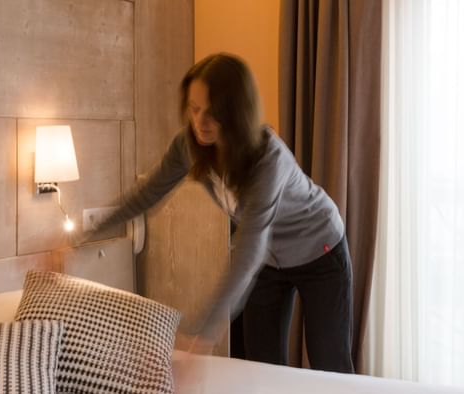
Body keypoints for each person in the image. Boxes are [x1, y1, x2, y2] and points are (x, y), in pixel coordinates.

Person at [87, 53, 354, 373]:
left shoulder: (269, 158)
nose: (200, 122)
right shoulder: (189, 144)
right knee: (261, 366)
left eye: (212, 113)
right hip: (269, 260)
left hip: (319, 250)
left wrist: (204, 332)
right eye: (194, 109)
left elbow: (248, 247)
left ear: (236, 112)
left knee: (330, 364)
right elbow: (149, 193)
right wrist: (90, 232)